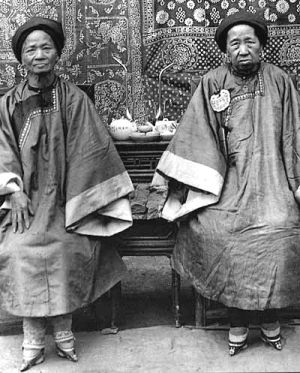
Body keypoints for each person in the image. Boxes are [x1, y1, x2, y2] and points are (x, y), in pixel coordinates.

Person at [152, 10, 300, 356]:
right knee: (218, 230)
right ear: (225, 50)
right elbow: (195, 135)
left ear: (262, 46)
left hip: (273, 180)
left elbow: (294, 136)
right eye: (235, 43)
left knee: (282, 227)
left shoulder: (280, 81)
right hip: (226, 183)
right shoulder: (212, 83)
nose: (243, 49)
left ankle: (269, 318)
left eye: (250, 41)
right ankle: (236, 320)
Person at [0, 17, 134, 371]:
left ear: (58, 54)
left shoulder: (74, 100)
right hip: (23, 204)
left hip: (67, 201)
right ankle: (32, 336)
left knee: (70, 246)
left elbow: (90, 151)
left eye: (46, 47)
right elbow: (2, 150)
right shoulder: (8, 104)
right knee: (17, 249)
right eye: (31, 49)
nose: (39, 55)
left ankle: (63, 331)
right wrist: (12, 192)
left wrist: (78, 203)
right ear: (21, 58)